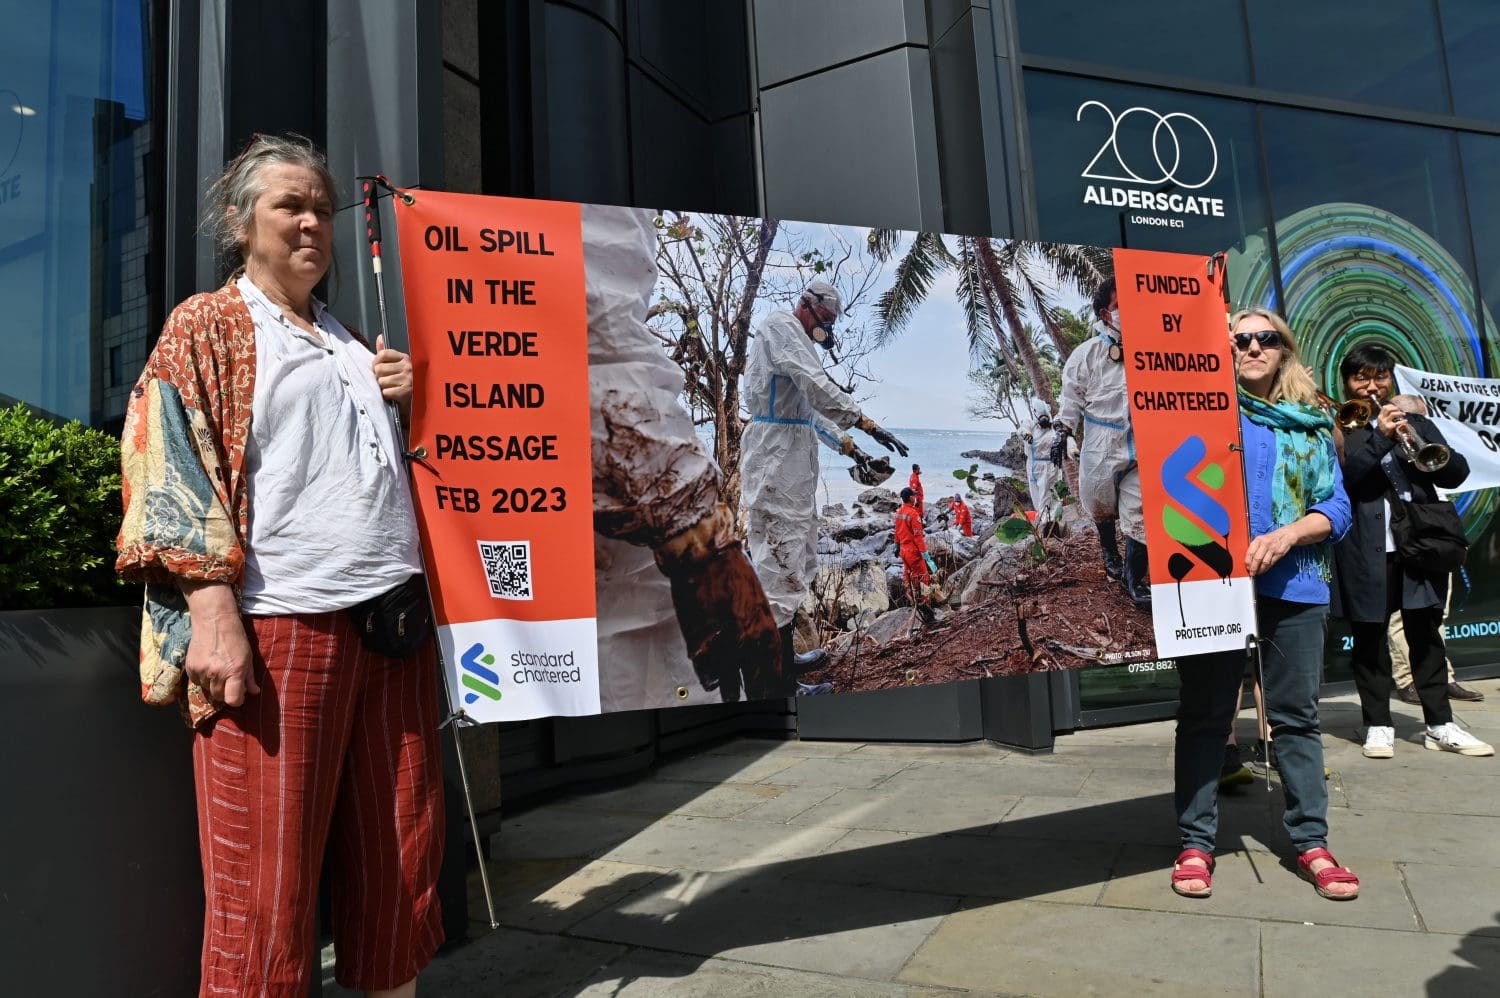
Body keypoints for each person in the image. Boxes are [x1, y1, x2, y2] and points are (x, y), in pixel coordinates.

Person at [116, 135, 443, 995]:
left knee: (399, 860)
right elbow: (165, 464)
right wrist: (214, 615)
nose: (309, 222)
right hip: (279, 627)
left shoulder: (345, 338)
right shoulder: (209, 322)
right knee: (266, 883)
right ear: (239, 221)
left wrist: (402, 400)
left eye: (319, 208)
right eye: (287, 205)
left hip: (393, 625)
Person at [1171, 308, 1358, 902]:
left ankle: (1311, 842)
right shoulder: (1197, 413)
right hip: (1210, 582)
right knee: (1204, 716)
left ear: (1284, 351)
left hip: (1296, 586)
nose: (1252, 346)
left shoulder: (1311, 424)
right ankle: (1196, 843)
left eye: (1265, 339)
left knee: (1297, 719)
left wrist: (1287, 534)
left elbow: (1339, 508)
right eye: (1239, 338)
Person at [585, 205, 783, 707]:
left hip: (619, 523)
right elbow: (595, 353)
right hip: (636, 528)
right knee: (634, 661)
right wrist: (699, 538)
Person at [741, 279, 908, 688]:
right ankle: (778, 682)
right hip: (776, 458)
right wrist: (865, 422)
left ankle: (785, 658)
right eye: (826, 320)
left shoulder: (796, 341)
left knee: (793, 554)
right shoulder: (782, 327)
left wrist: (854, 450)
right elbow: (817, 388)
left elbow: (809, 414)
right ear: (806, 305)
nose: (827, 328)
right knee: (779, 560)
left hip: (788, 456)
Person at [1331, 345, 1492, 759]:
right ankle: (1378, 725)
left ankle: (1440, 723)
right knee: (1369, 638)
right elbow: (1348, 480)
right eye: (1361, 378)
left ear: (1391, 380)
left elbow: (1457, 472)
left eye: (1380, 377)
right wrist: (1381, 438)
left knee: (1426, 636)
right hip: (1367, 547)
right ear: (1346, 382)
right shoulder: (1343, 427)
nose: (1371, 386)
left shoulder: (1415, 421)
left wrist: (1426, 454)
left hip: (1418, 544)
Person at [1054, 277, 1150, 608]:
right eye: (1119, 306)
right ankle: (1108, 546)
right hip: (1100, 445)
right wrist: (1062, 431)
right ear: (1104, 314)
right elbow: (1071, 397)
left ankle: (1134, 580)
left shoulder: (1154, 349)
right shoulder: (1087, 355)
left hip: (1143, 447)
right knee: (1099, 503)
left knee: (1140, 515)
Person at [1023, 399, 1065, 530]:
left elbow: (1065, 436)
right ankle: (1045, 521)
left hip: (1049, 466)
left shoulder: (1054, 428)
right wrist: (1025, 434)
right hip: (1032, 466)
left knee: (1048, 496)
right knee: (1037, 497)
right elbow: (1022, 430)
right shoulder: (1030, 425)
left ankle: (1051, 525)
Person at [895, 487, 936, 599]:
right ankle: (924, 603)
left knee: (908, 576)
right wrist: (926, 555)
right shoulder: (913, 514)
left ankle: (912, 600)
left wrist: (896, 545)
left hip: (903, 551)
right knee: (923, 578)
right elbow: (918, 537)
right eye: (914, 495)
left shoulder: (899, 512)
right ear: (910, 498)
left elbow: (897, 531)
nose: (916, 497)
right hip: (913, 552)